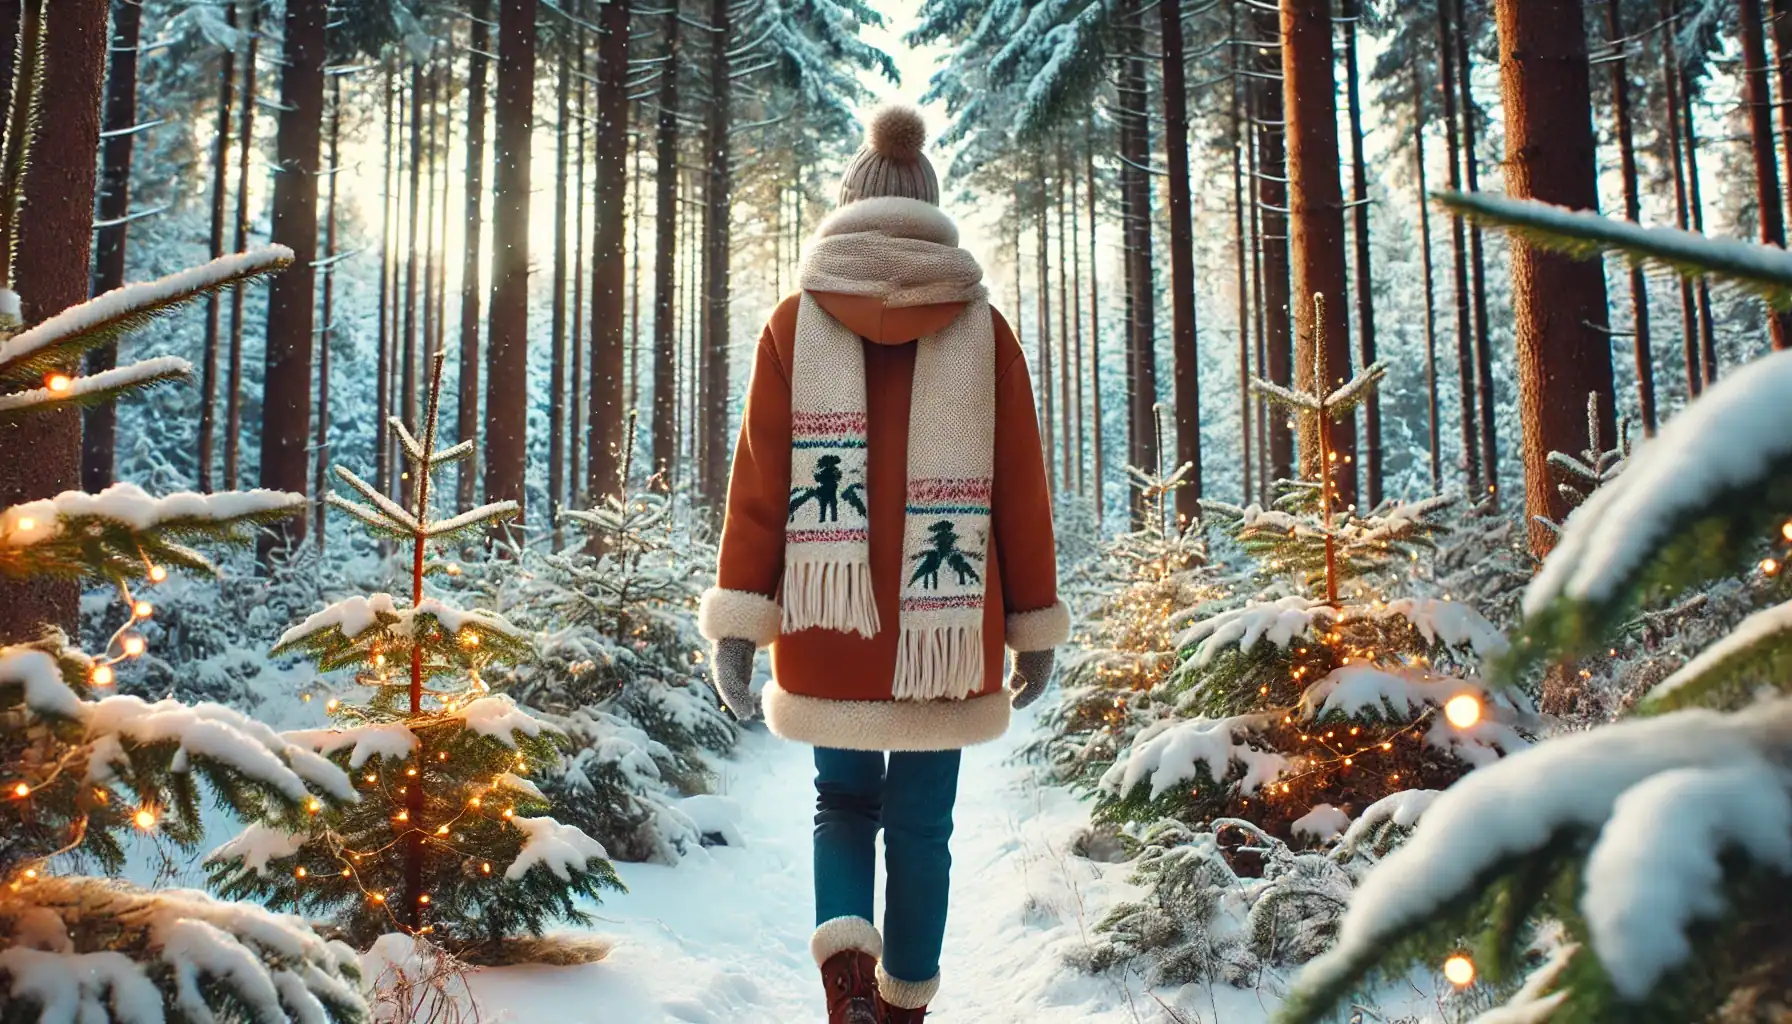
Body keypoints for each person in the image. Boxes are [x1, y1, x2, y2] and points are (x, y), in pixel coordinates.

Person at [698, 104, 1067, 1024]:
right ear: (931, 211)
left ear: (849, 205)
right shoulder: (984, 330)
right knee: (923, 829)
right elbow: (1021, 491)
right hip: (950, 631)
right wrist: (1034, 625)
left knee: (841, 805)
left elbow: (761, 486)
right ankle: (903, 1010)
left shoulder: (797, 323)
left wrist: (742, 618)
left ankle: (847, 991)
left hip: (836, 618)